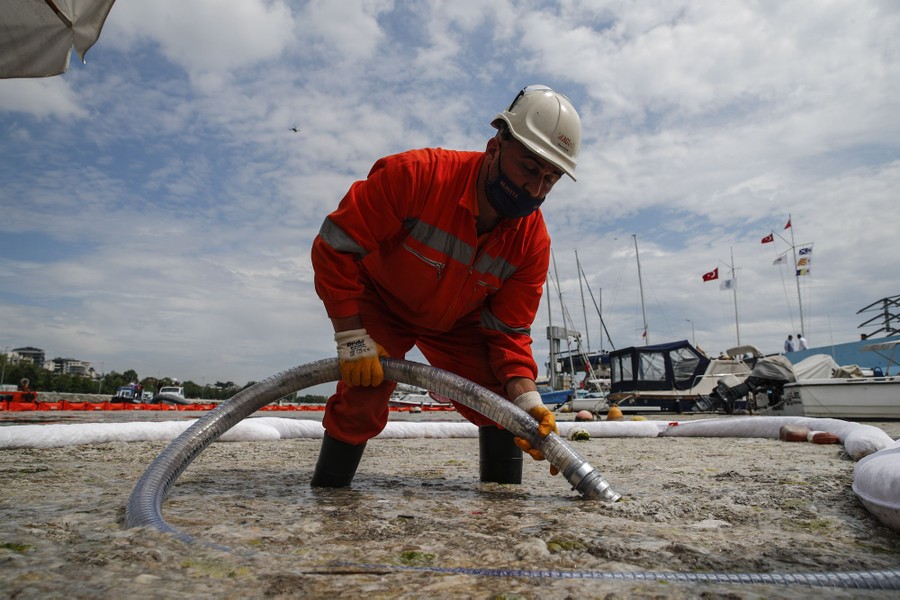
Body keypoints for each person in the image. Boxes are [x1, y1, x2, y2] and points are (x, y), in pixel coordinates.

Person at [310, 85, 581, 488]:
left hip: (459, 323)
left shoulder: (532, 242)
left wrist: (529, 402)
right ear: (494, 147)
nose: (536, 190)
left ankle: (502, 516)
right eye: (528, 168)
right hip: (382, 302)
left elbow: (509, 332)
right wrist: (351, 339)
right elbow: (335, 245)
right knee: (362, 394)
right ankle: (328, 500)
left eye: (550, 178)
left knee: (506, 408)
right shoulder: (416, 177)